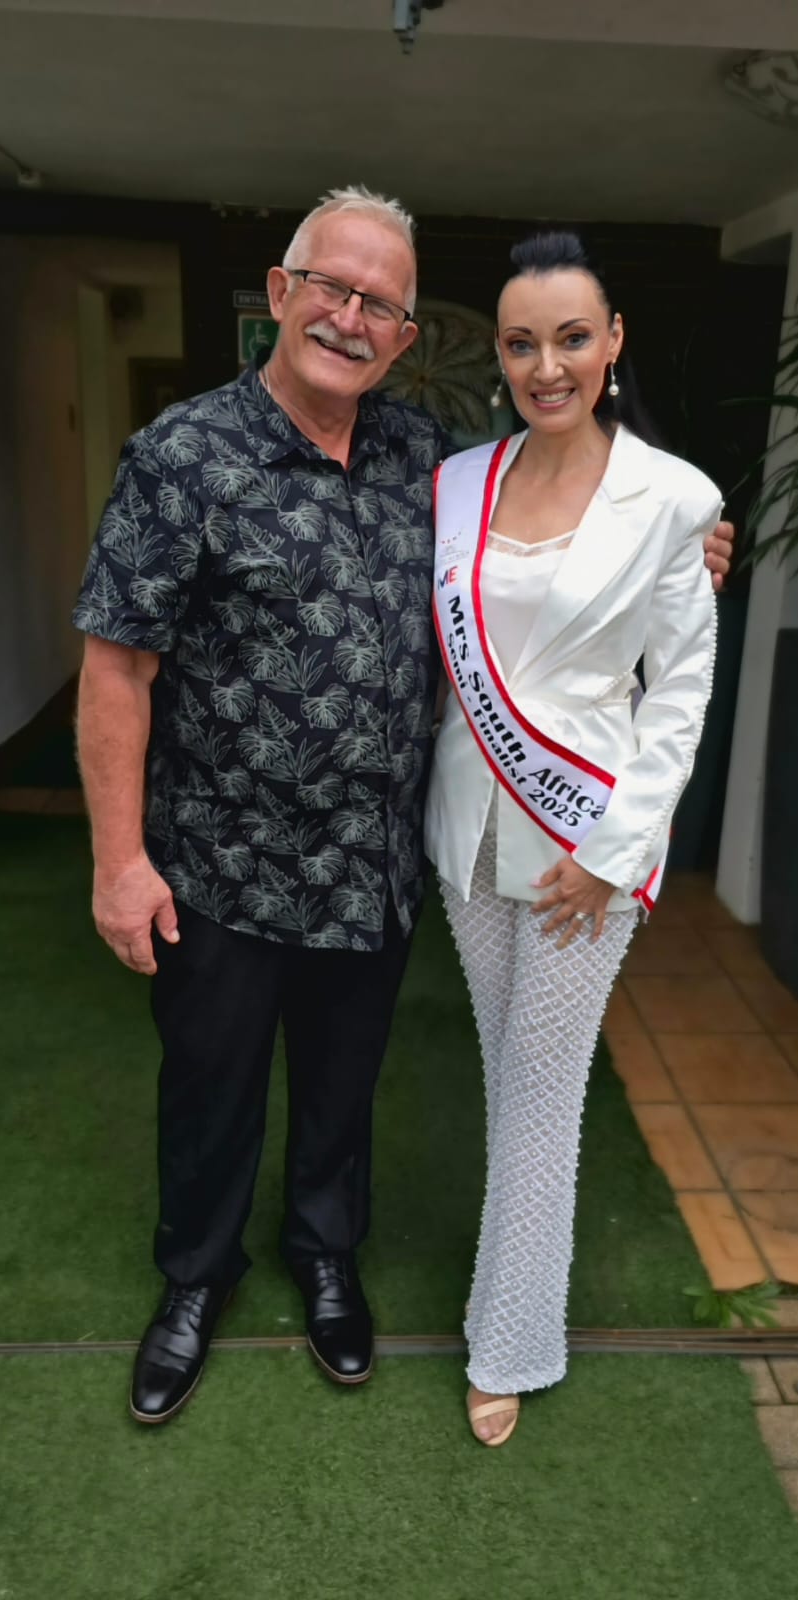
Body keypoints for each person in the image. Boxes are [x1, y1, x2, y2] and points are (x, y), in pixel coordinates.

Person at [73, 188, 733, 1427]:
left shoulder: (423, 457)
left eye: (380, 302)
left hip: (370, 860)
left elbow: (560, 538)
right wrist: (119, 860)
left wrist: (684, 552)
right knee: (210, 1085)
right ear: (282, 293)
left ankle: (327, 1258)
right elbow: (116, 667)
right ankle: (195, 1280)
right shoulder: (182, 455)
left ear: (405, 334)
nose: (352, 316)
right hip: (218, 855)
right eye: (332, 286)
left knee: (343, 1085)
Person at [425, 229, 724, 1446]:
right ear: (500, 355)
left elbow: (680, 690)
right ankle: (509, 1300)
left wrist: (611, 853)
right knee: (509, 1072)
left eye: (570, 338)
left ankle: (508, 1342)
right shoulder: (458, 482)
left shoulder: (675, 498)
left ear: (611, 344)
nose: (544, 366)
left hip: (582, 839)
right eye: (520, 343)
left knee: (544, 1089)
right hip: (467, 823)